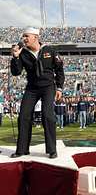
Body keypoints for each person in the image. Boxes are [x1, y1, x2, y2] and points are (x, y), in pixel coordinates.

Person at [10, 27, 65, 158]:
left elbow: (59, 69)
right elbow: (16, 72)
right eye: (23, 36)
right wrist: (16, 57)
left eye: (26, 36)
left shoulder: (49, 50)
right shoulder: (23, 53)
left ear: (35, 37)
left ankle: (52, 150)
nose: (24, 39)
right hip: (32, 88)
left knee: (48, 115)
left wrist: (59, 88)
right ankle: (22, 150)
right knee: (23, 116)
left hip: (48, 87)